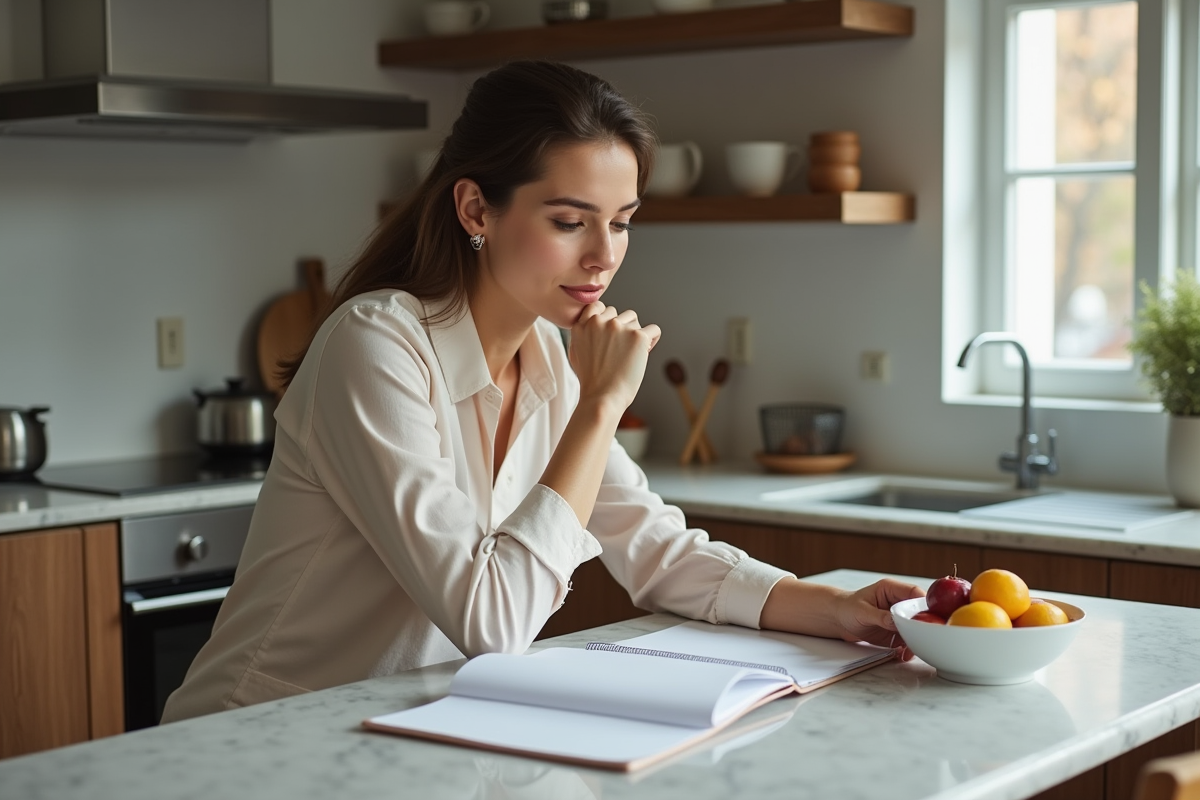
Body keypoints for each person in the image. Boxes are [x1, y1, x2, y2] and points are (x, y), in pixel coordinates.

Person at [162, 61, 921, 723]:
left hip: (400, 735)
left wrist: (832, 608)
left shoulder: (548, 356)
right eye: (568, 221)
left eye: (622, 223)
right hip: (259, 740)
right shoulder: (377, 343)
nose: (603, 256)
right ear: (475, 210)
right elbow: (492, 622)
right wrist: (600, 408)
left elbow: (655, 549)